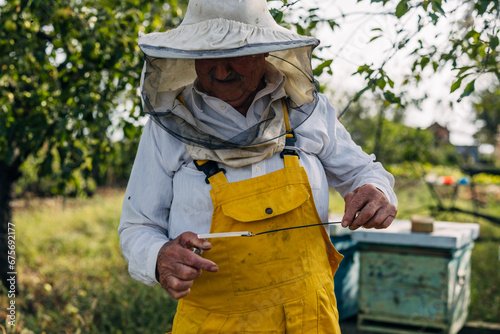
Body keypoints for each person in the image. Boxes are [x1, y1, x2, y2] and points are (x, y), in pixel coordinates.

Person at [119, 0, 397, 332]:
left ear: (264, 51)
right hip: (214, 323)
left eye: (236, 53)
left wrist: (377, 191)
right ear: (190, 55)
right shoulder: (167, 130)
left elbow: (363, 172)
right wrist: (158, 256)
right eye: (209, 57)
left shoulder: (308, 111)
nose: (222, 72)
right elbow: (137, 227)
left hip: (311, 317)